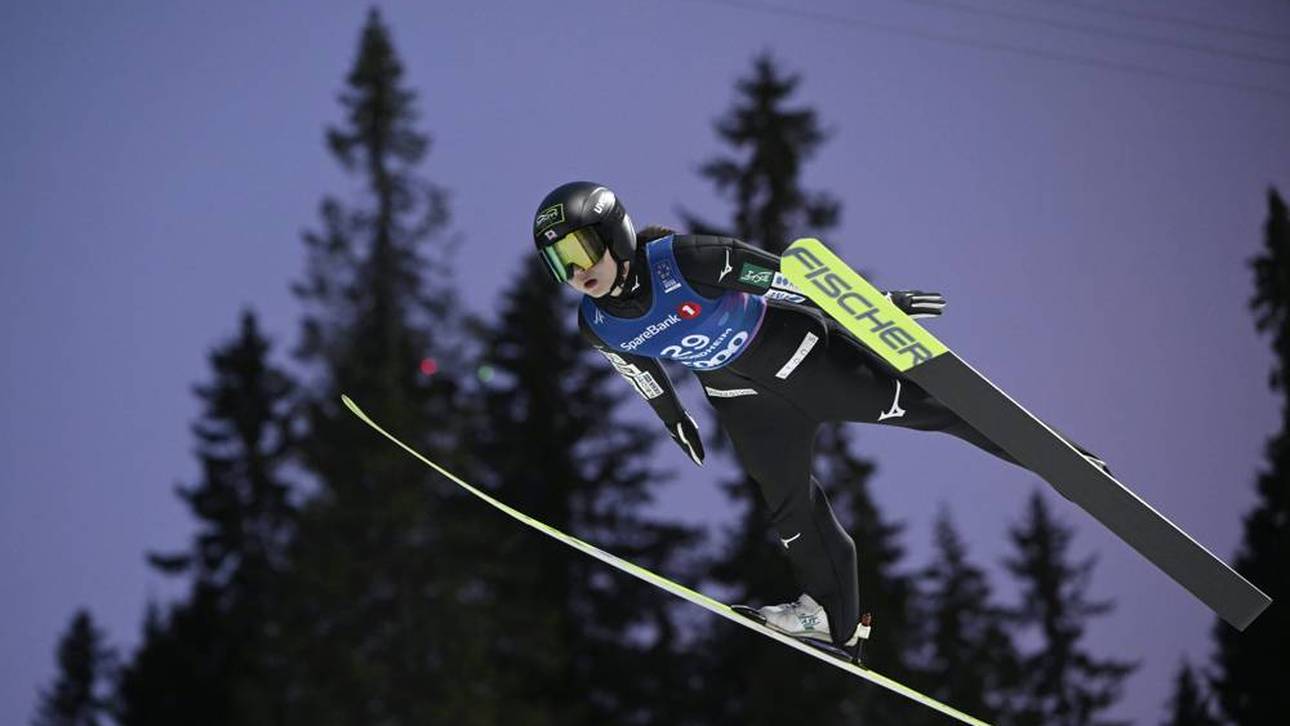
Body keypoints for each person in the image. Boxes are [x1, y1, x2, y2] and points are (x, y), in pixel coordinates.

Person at [531, 181, 1106, 661]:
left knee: (934, 409)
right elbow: (638, 370)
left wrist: (875, 304)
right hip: (743, 402)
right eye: (561, 263)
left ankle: (1062, 462)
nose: (577, 271)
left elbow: (787, 278)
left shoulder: (685, 260)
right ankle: (832, 620)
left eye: (581, 250)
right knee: (790, 509)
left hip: (804, 361)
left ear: (615, 233)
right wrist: (674, 418)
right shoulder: (597, 324)